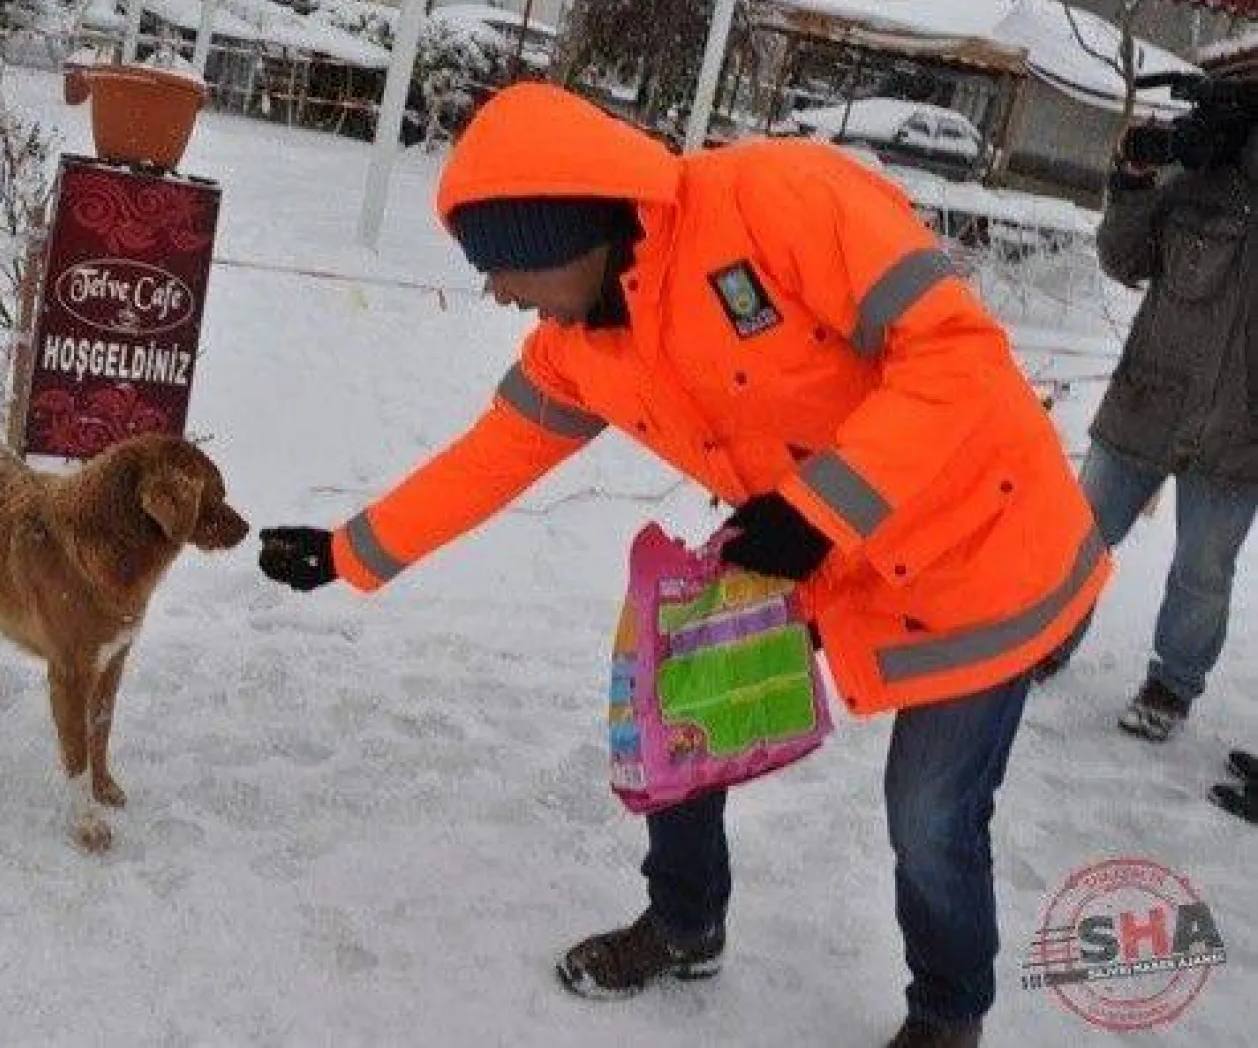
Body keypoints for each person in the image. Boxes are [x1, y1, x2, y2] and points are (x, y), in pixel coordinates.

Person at [257, 84, 1109, 1048]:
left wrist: (817, 509)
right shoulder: (580, 347)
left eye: (503, 268)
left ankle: (948, 1010)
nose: (497, 293)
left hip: (980, 545)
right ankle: (686, 920)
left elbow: (958, 358)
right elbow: (489, 457)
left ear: (563, 232)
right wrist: (348, 550)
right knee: (677, 709)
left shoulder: (779, 198)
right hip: (815, 549)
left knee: (930, 814)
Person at [1075, 108, 1258, 742]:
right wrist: (1132, 177)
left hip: (1240, 432)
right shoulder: (1195, 183)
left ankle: (1172, 685)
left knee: (1203, 571)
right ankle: (1043, 636)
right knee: (1079, 533)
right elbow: (1122, 258)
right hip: (1147, 404)